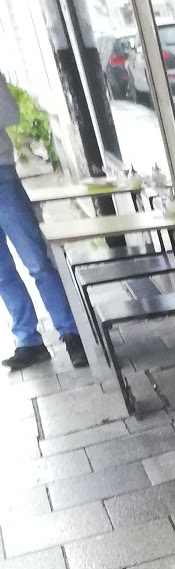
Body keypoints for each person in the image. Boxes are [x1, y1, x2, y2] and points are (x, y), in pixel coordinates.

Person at [0, 73, 87, 370]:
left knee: (37, 262)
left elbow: (10, 115)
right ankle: (29, 341)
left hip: (2, 177)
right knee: (2, 273)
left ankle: (72, 333)